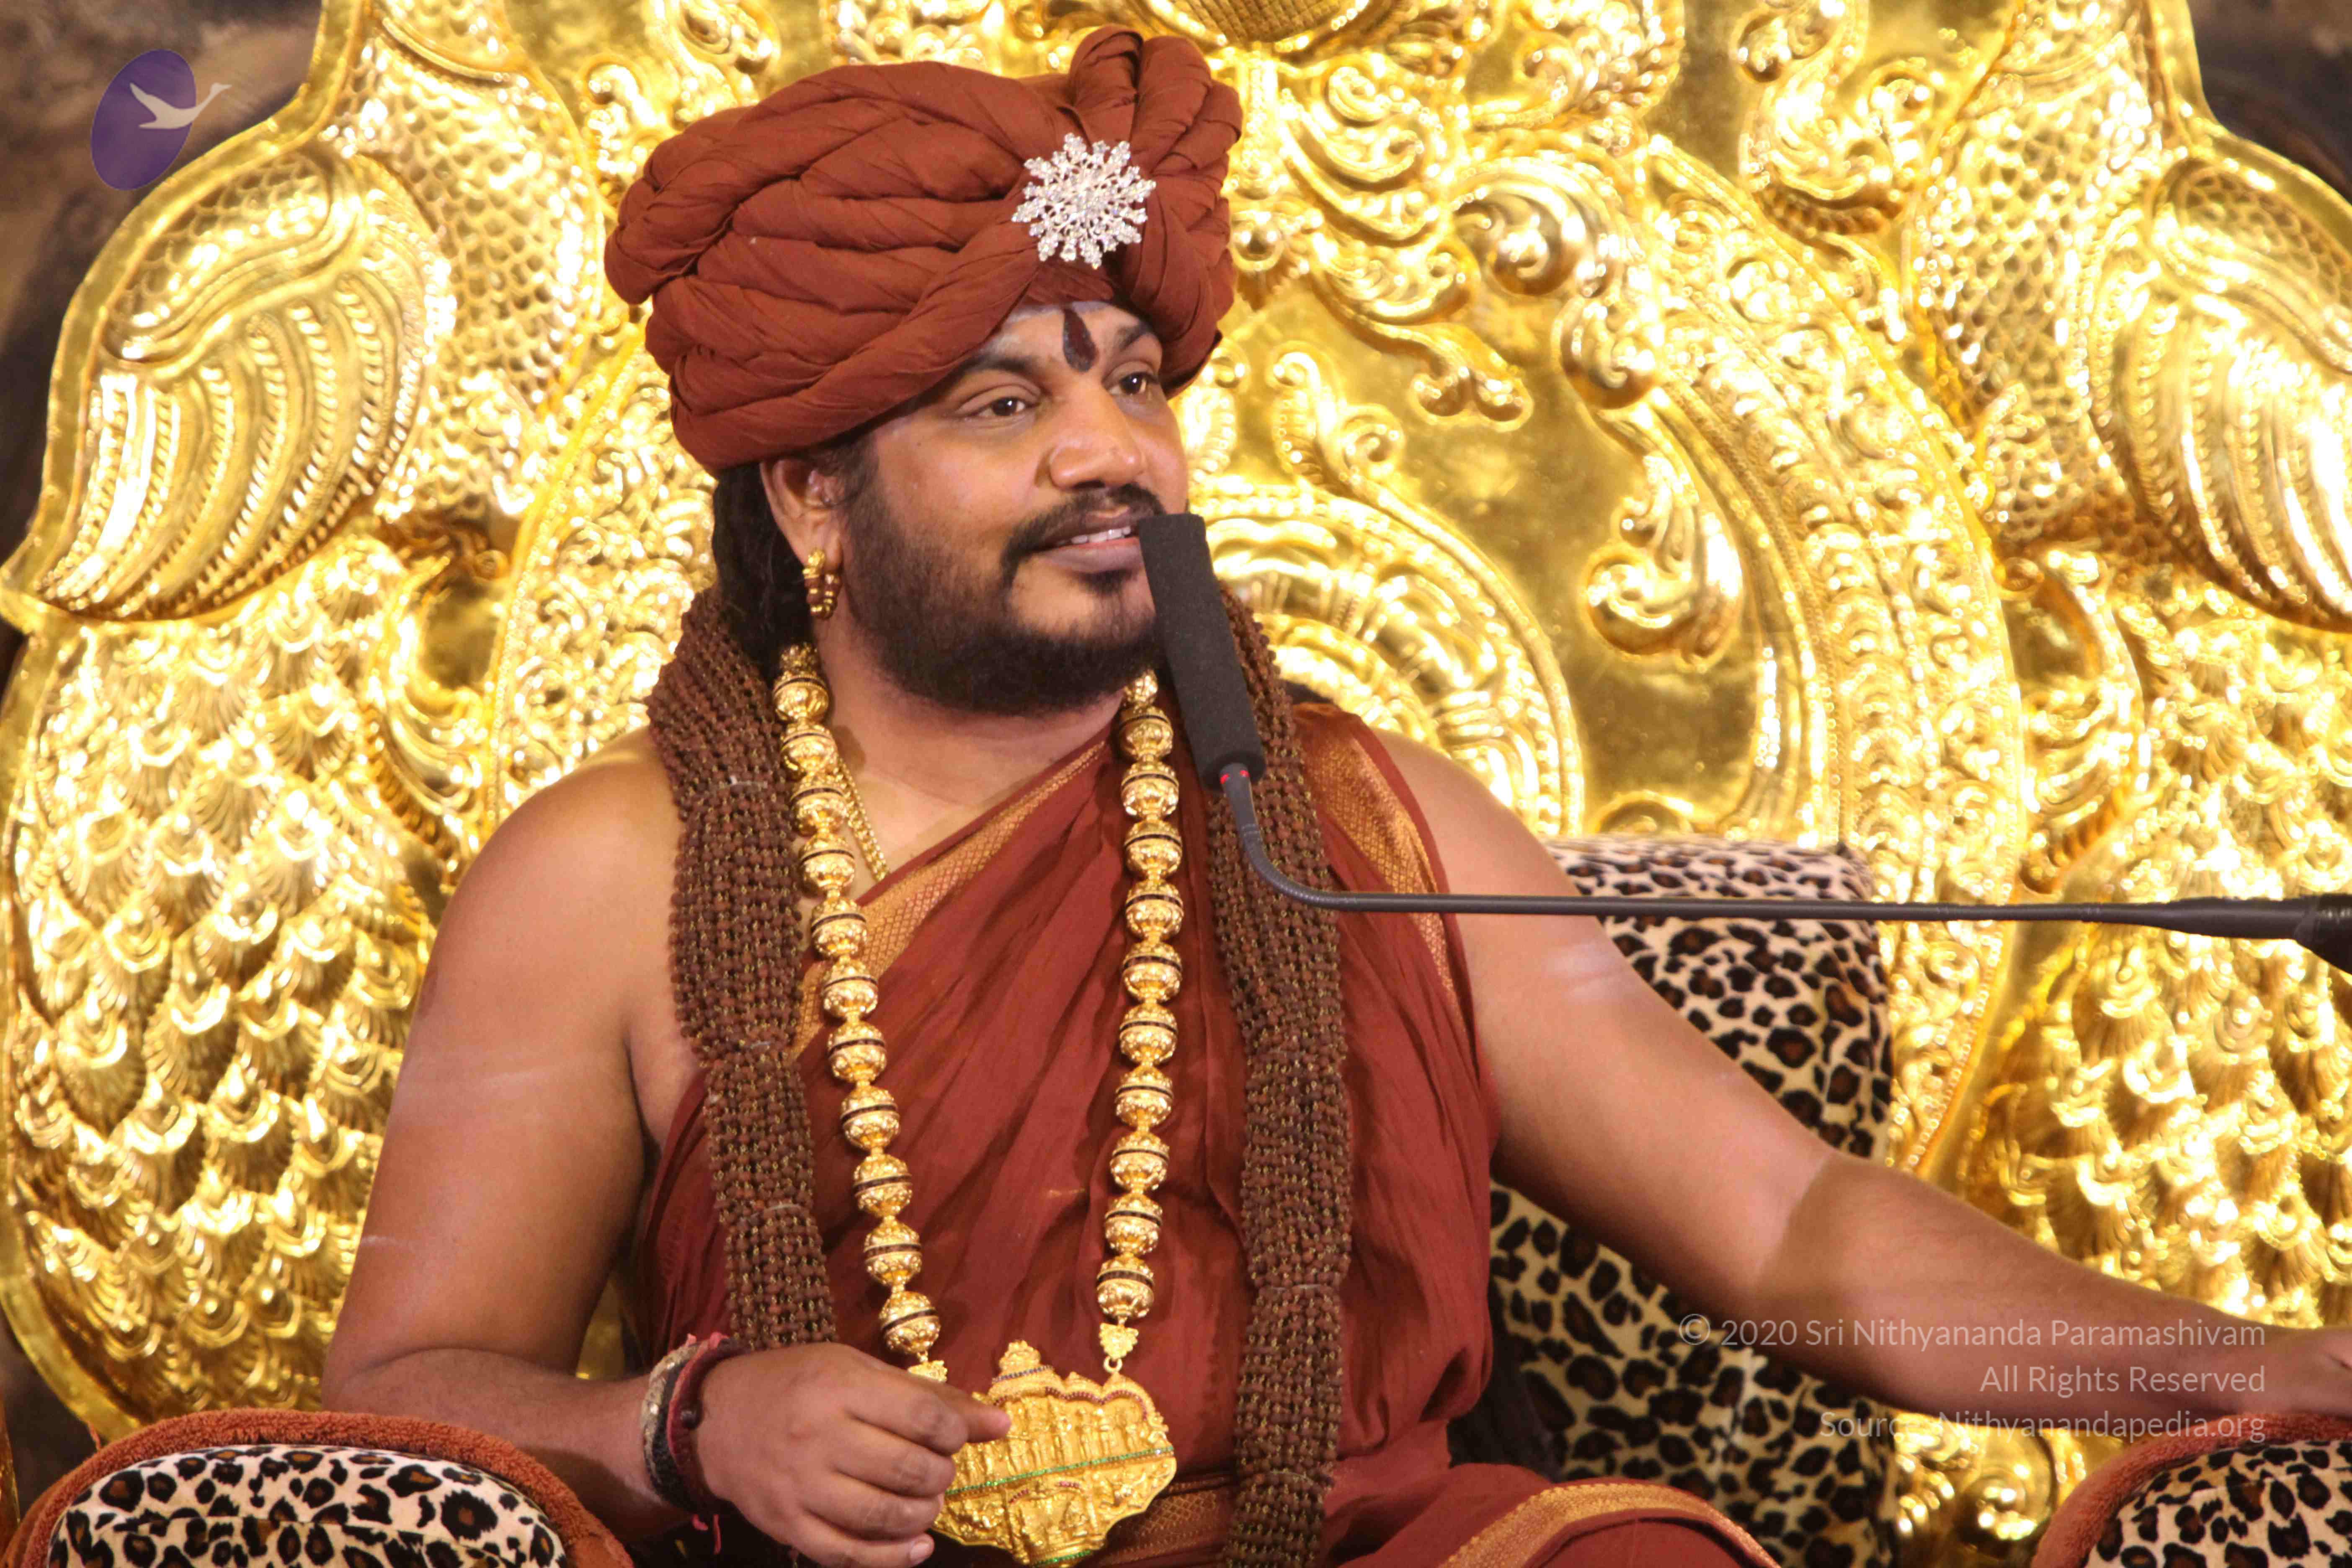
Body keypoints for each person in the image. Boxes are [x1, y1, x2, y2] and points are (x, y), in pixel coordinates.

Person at [320, 26, 2352, 1568]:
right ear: (811, 493)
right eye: (1006, 402)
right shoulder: (614, 874)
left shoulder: (1365, 827)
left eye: (1135, 381)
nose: (1112, 452)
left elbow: (1799, 1232)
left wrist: (2233, 1373)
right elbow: (406, 1397)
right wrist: (686, 1426)